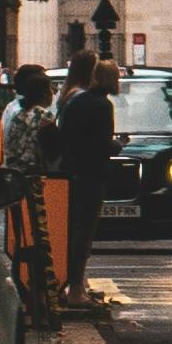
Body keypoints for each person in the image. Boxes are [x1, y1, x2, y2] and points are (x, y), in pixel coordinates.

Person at [55, 60, 116, 298]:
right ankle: (77, 287)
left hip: (70, 171)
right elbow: (100, 143)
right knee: (85, 231)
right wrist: (115, 146)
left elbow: (67, 137)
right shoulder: (103, 105)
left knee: (71, 228)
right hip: (92, 174)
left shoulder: (76, 102)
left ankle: (66, 283)